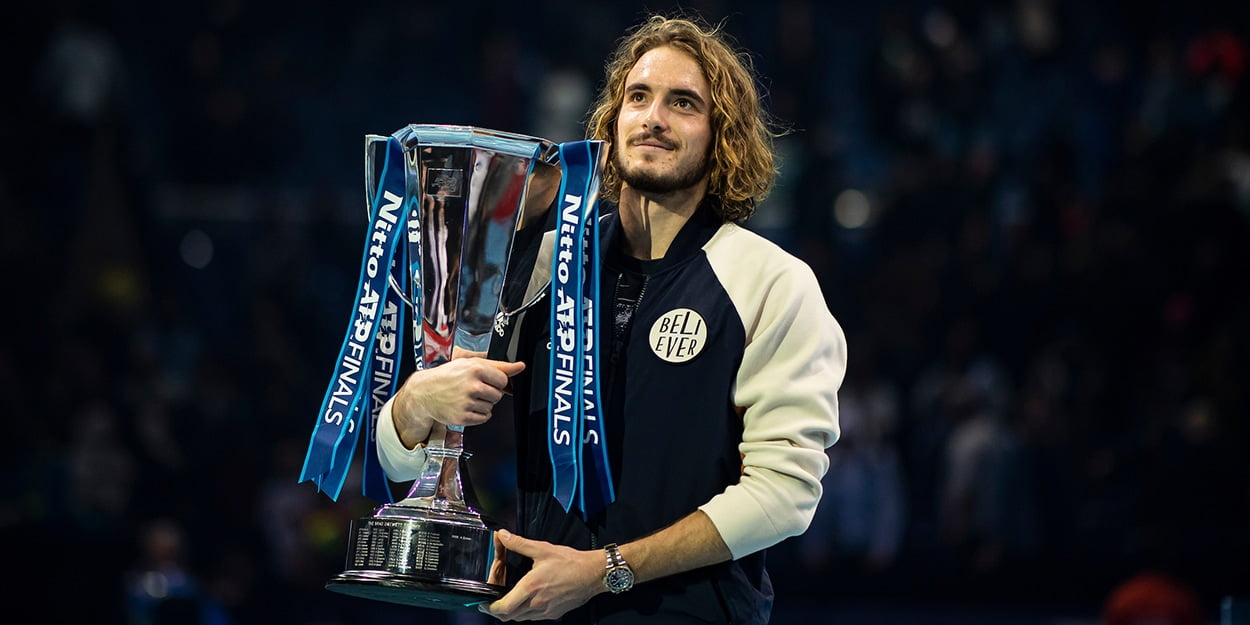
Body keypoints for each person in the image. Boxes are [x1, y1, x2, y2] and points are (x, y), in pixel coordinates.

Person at [376, 13, 847, 624]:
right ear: (612, 121)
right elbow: (403, 459)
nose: (653, 117)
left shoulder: (770, 282)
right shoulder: (547, 266)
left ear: (721, 135)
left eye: (683, 103)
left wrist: (603, 572)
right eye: (638, 97)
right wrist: (417, 405)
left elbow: (786, 496)